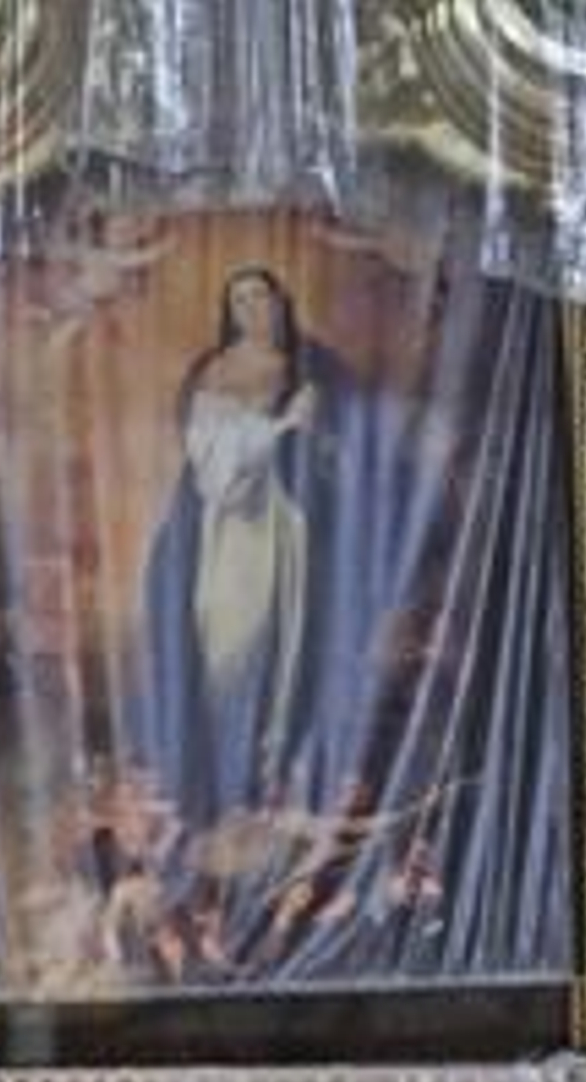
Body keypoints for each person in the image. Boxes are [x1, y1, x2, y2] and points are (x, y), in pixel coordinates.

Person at [141, 267, 343, 837]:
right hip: (220, 525)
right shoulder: (214, 368)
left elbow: (329, 456)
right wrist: (280, 428)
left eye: (261, 295)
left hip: (276, 522)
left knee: (271, 644)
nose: (253, 307)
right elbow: (207, 455)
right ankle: (209, 781)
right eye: (240, 299)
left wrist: (309, 435)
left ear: (281, 302)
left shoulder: (305, 369)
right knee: (217, 644)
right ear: (229, 311)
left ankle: (257, 780)